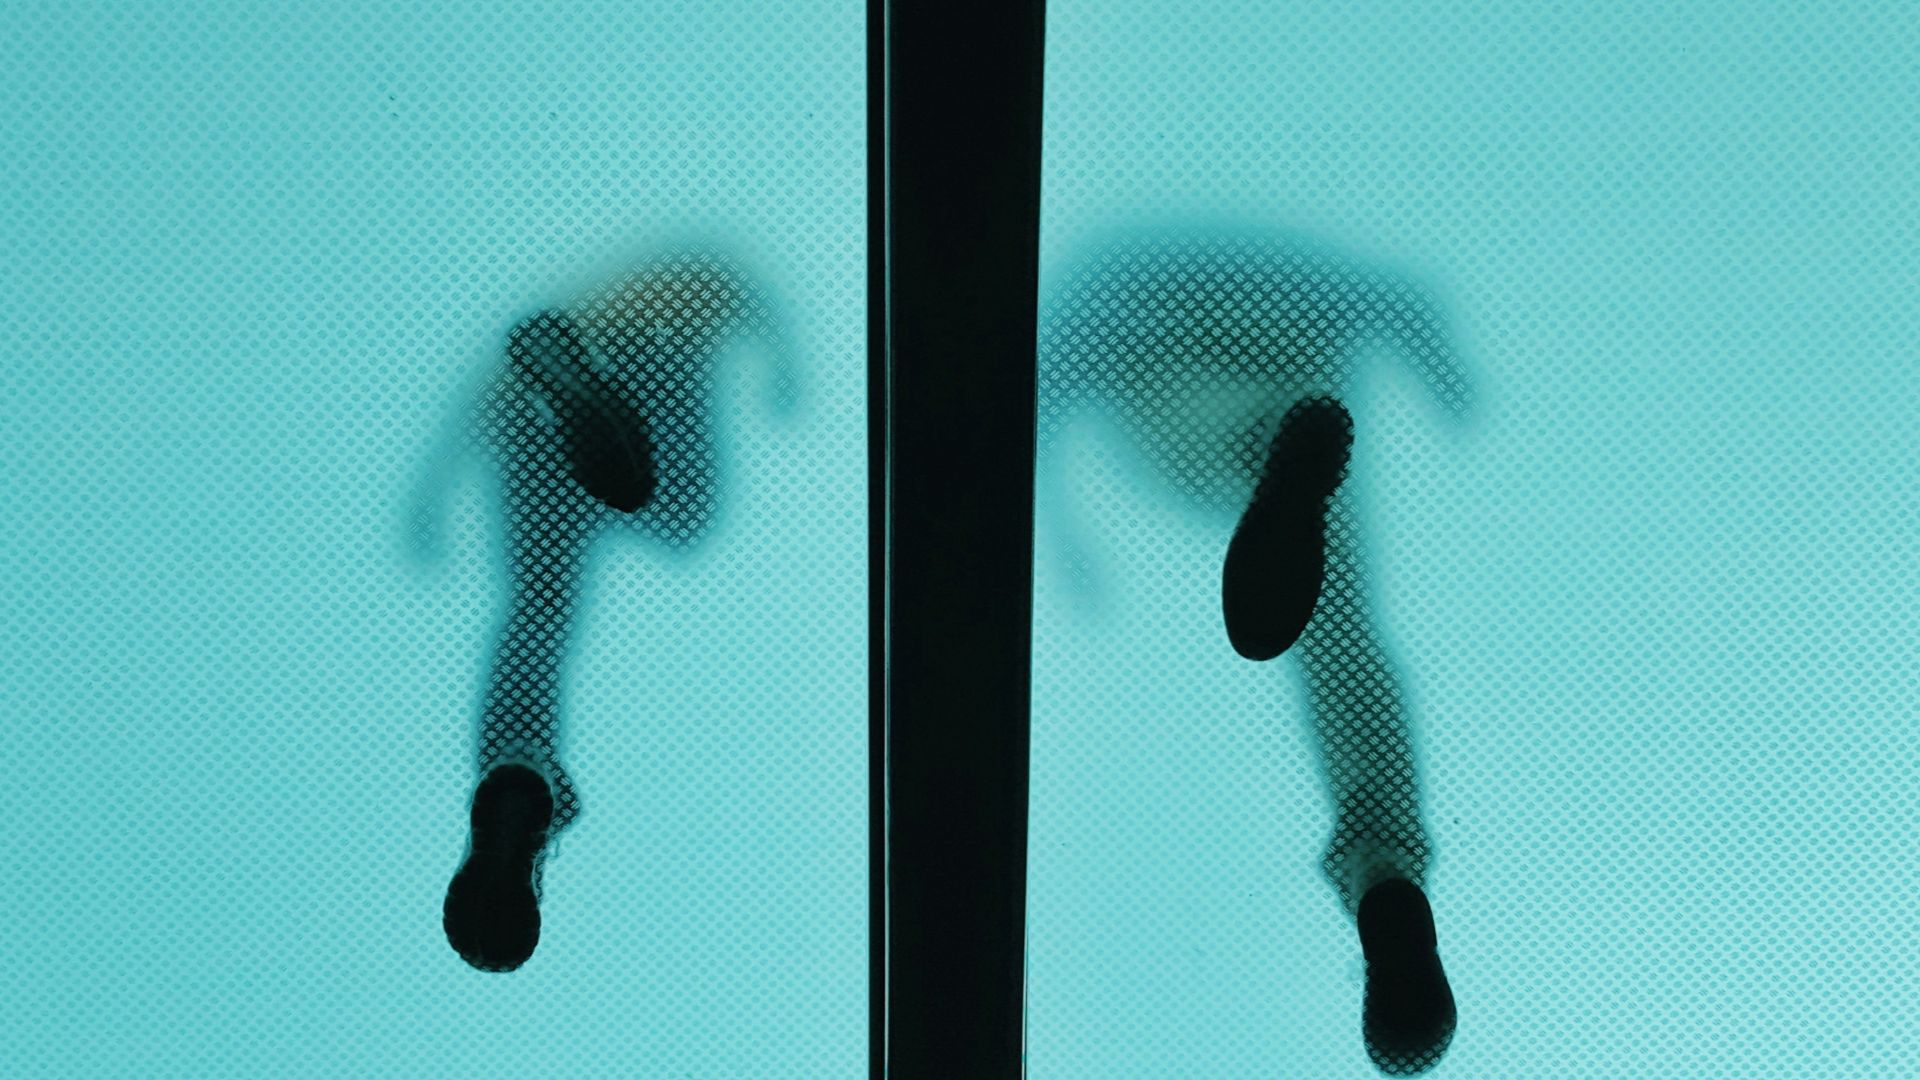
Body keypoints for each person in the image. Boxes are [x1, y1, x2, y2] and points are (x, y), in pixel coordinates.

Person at [1036, 223, 1468, 1074]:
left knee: (1212, 429)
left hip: (1158, 348)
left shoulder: (1117, 275)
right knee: (1340, 635)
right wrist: (1440, 364)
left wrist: (1058, 526)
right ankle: (1385, 871)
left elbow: (1045, 380)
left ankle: (1260, 438)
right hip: (1293, 346)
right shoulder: (1291, 265)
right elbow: (1389, 296)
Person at [412, 247, 801, 973]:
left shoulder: (635, 287)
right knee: (682, 511)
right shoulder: (672, 289)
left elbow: (476, 400)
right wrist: (783, 362)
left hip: (522, 420)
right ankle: (596, 403)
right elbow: (741, 286)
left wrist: (434, 490)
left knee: (539, 612)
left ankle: (519, 768)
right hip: (645, 368)